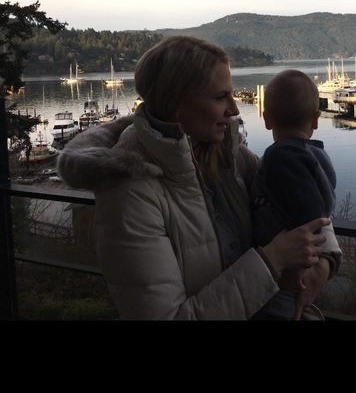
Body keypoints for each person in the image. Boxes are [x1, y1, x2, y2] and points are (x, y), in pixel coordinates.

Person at [57, 35, 341, 320]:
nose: (235, 109)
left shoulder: (229, 156)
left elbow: (298, 195)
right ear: (176, 103)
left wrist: (325, 259)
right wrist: (273, 260)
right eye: (220, 97)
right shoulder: (129, 193)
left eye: (231, 94)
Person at [251, 69, 337, 320]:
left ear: (267, 120)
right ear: (315, 119)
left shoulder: (281, 155)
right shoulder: (317, 154)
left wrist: (298, 267)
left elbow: (308, 214)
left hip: (285, 275)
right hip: (295, 264)